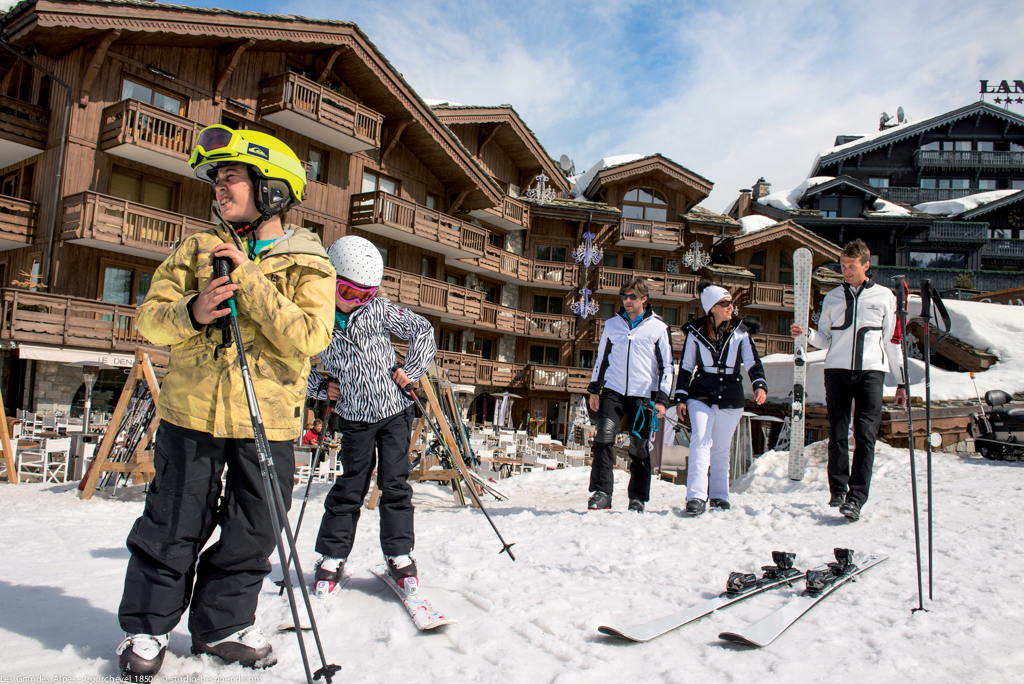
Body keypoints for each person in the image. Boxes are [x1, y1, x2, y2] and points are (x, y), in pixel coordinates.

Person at [116, 125, 335, 681]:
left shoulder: (310, 263)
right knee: (172, 520)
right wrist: (192, 312)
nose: (219, 187)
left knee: (253, 528)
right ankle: (148, 626)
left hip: (269, 423)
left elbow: (312, 337)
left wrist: (250, 281)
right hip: (191, 416)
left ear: (272, 189)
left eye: (232, 177)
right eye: (216, 179)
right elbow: (148, 320)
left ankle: (224, 625)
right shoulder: (195, 250)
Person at [309, 235, 437, 600]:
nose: (357, 302)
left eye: (365, 295)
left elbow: (423, 330)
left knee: (395, 484)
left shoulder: (379, 310)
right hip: (354, 417)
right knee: (351, 486)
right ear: (330, 280)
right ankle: (332, 556)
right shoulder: (316, 318)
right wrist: (322, 387)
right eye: (348, 292)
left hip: (394, 411)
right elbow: (293, 361)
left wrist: (411, 370)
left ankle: (399, 554)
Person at [790, 239, 907, 522]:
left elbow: (893, 342)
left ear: (866, 265)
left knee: (865, 435)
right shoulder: (832, 297)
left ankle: (856, 498)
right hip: (837, 371)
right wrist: (806, 333)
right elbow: (824, 339)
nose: (846, 270)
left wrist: (902, 382)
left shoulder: (884, 297)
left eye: (851, 266)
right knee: (838, 433)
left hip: (871, 372)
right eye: (843, 265)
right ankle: (838, 491)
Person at [675, 281, 767, 517]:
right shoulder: (695, 332)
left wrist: (759, 385)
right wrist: (681, 397)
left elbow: (753, 361)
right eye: (724, 303)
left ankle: (719, 496)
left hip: (731, 394)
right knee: (700, 440)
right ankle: (696, 496)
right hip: (701, 393)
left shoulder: (740, 331)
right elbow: (686, 366)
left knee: (722, 448)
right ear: (712, 308)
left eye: (731, 303)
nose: (730, 307)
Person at [587, 277, 673, 513]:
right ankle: (602, 493)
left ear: (644, 299)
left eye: (632, 296)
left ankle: (637, 498)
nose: (627, 300)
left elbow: (667, 366)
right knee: (604, 438)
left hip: (643, 396)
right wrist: (595, 390)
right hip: (612, 391)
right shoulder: (612, 325)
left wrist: (662, 400)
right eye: (624, 296)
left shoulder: (658, 327)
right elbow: (601, 358)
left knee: (639, 446)